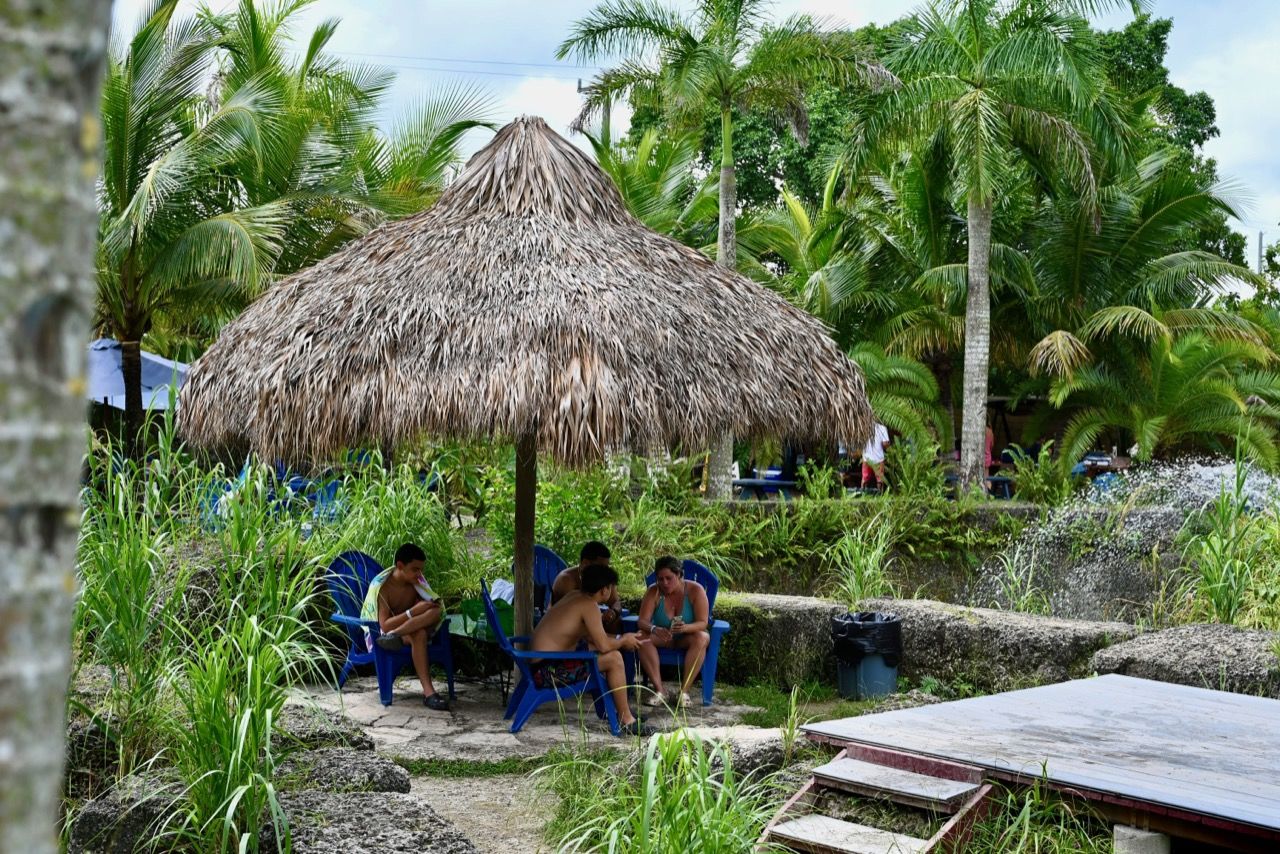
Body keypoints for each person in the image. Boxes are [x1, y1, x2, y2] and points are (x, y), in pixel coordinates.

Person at [531, 563, 655, 736]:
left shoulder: (575, 596)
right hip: (548, 672)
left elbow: (592, 638)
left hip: (540, 665)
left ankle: (615, 710)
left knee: (595, 649)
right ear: (605, 589)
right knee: (614, 659)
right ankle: (627, 720)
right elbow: (604, 645)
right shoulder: (589, 606)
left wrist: (624, 638)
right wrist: (623, 640)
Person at [362, 543, 449, 710]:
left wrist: (423, 609)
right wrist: (412, 611)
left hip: (400, 633)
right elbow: (385, 626)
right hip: (384, 635)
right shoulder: (384, 588)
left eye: (421, 570)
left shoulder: (416, 583)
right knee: (420, 634)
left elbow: (433, 607)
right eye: (415, 569)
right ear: (400, 566)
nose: (420, 575)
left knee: (435, 612)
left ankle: (397, 634)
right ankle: (429, 693)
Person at [635, 556, 710, 708]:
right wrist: (654, 629)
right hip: (663, 637)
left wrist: (685, 628)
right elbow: (642, 621)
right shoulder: (654, 591)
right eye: (660, 579)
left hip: (687, 638)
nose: (664, 583)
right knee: (641, 637)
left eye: (669, 578)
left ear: (680, 575)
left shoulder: (696, 590)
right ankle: (660, 691)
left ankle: (684, 692)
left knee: (702, 637)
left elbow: (703, 622)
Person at [551, 540, 623, 634]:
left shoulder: (604, 578)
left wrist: (613, 612)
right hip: (564, 631)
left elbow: (616, 602)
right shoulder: (566, 580)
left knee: (616, 622)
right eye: (601, 567)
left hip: (589, 627)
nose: (605, 571)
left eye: (606, 567)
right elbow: (570, 617)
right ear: (585, 563)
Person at [861, 422, 890, 491]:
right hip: (879, 459)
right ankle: (880, 496)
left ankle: (863, 494)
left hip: (866, 459)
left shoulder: (863, 427)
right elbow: (885, 443)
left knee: (865, 479)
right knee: (880, 480)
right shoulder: (882, 428)